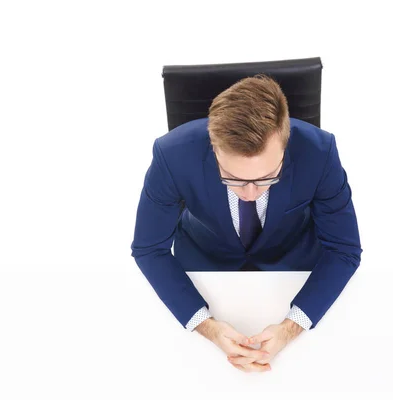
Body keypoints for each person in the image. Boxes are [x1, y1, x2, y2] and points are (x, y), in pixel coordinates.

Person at [130, 74, 363, 373]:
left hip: (292, 268)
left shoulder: (320, 152)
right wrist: (207, 327)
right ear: (213, 147)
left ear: (285, 145)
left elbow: (344, 250)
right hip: (205, 268)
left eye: (266, 178)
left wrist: (292, 327)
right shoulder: (171, 155)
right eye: (234, 179)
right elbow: (149, 249)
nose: (251, 194)